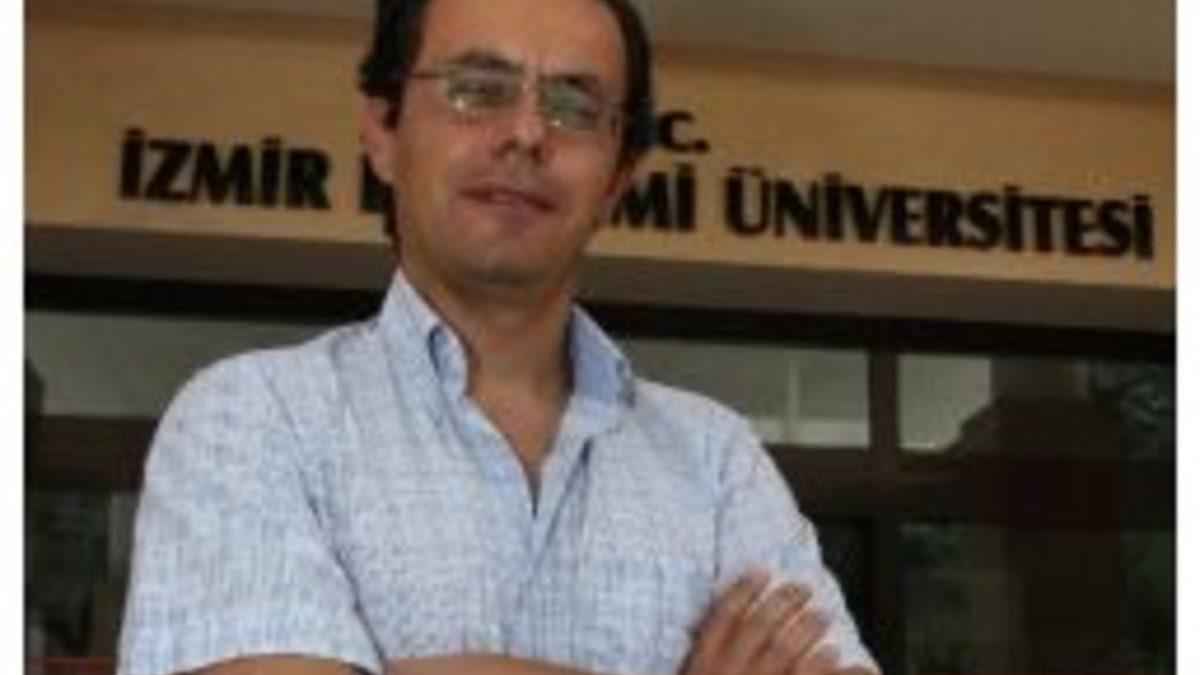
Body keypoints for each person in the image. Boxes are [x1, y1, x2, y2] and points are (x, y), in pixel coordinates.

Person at [117, 0, 881, 674]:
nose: (525, 132)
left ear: (618, 177)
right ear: (381, 130)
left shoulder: (717, 460)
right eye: (476, 90)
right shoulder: (253, 414)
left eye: (575, 105)